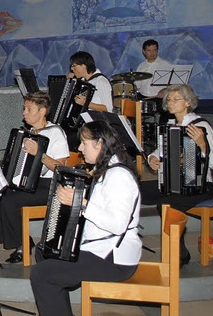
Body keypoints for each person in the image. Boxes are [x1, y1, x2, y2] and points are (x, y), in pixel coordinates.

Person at [30, 120, 141, 316]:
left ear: (99, 144)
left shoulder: (119, 176)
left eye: (84, 143)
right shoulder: (107, 170)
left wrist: (81, 203)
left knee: (41, 275)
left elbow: (117, 225)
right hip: (100, 248)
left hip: (113, 259)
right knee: (45, 250)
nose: (80, 148)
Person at [0, 91, 69, 263]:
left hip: (50, 186)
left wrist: (40, 154)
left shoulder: (56, 133)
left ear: (43, 111)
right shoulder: (28, 132)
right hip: (30, 184)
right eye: (24, 108)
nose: (24, 112)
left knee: (10, 201)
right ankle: (21, 238)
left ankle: (21, 246)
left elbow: (61, 168)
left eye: (29, 109)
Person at [140, 84, 213, 266]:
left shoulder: (200, 126)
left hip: (203, 185)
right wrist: (152, 159)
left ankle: (178, 254)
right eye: (169, 100)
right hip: (175, 182)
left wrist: (203, 145)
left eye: (175, 99)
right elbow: (159, 151)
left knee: (168, 204)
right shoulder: (171, 126)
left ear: (188, 102)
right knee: (138, 190)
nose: (170, 103)